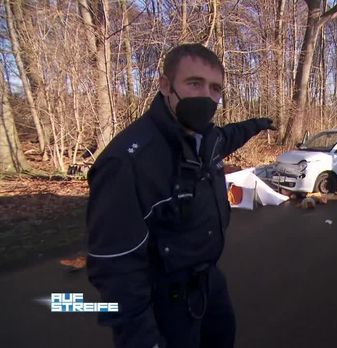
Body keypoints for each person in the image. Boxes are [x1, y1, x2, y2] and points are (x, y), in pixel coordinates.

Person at [86, 43, 276, 348]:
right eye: (194, 83)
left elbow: (230, 136)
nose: (206, 96)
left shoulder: (207, 138)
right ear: (165, 85)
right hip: (165, 301)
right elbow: (115, 269)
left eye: (215, 88)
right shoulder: (128, 162)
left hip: (209, 281)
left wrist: (259, 125)